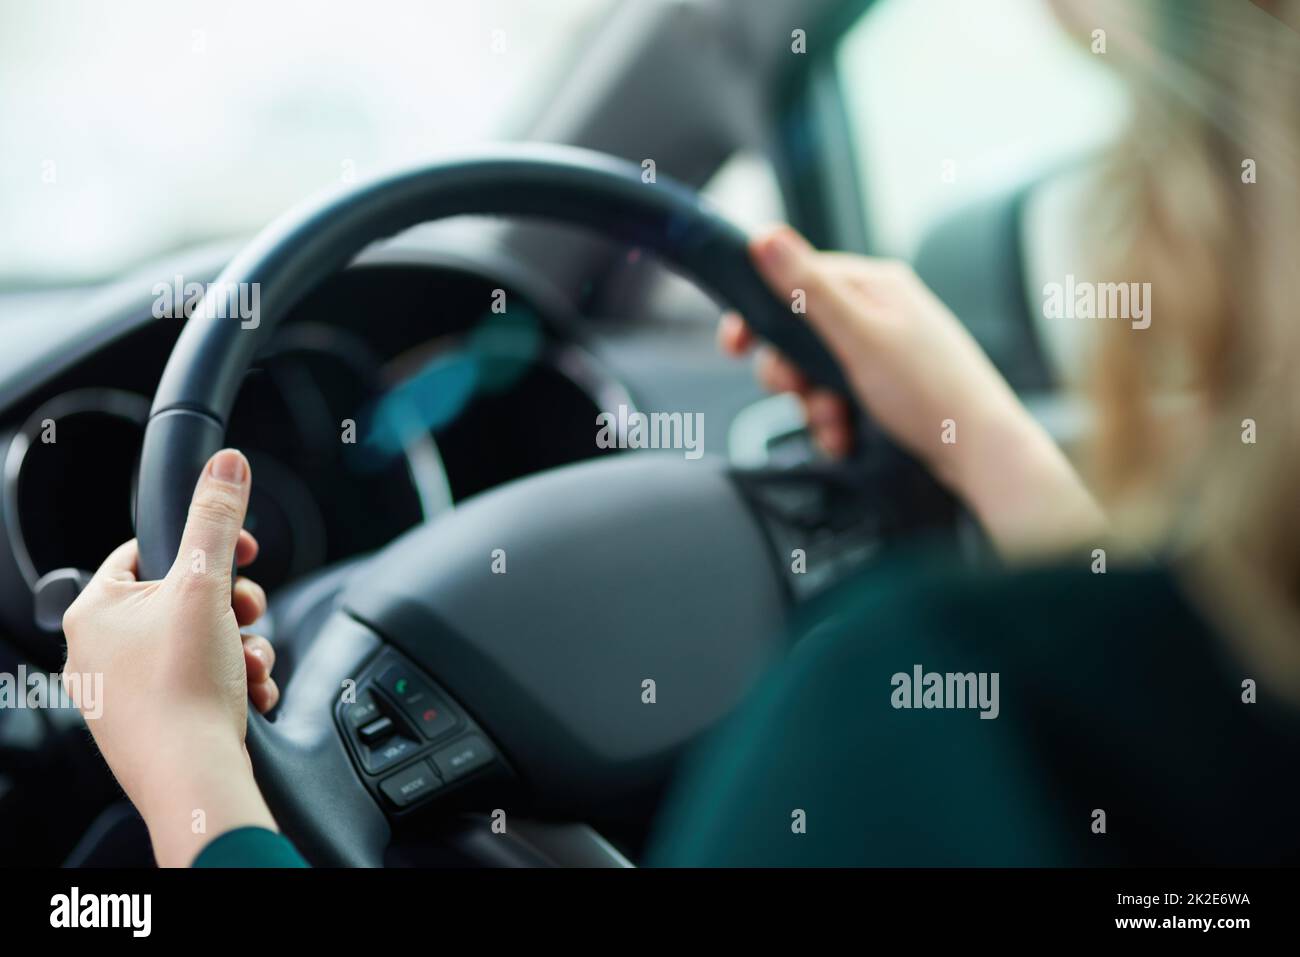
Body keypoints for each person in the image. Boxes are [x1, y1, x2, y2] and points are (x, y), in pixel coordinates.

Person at [61, 0, 1300, 865]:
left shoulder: (897, 711)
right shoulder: (1173, 714)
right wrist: (995, 453)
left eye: (1131, 114)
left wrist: (198, 788)